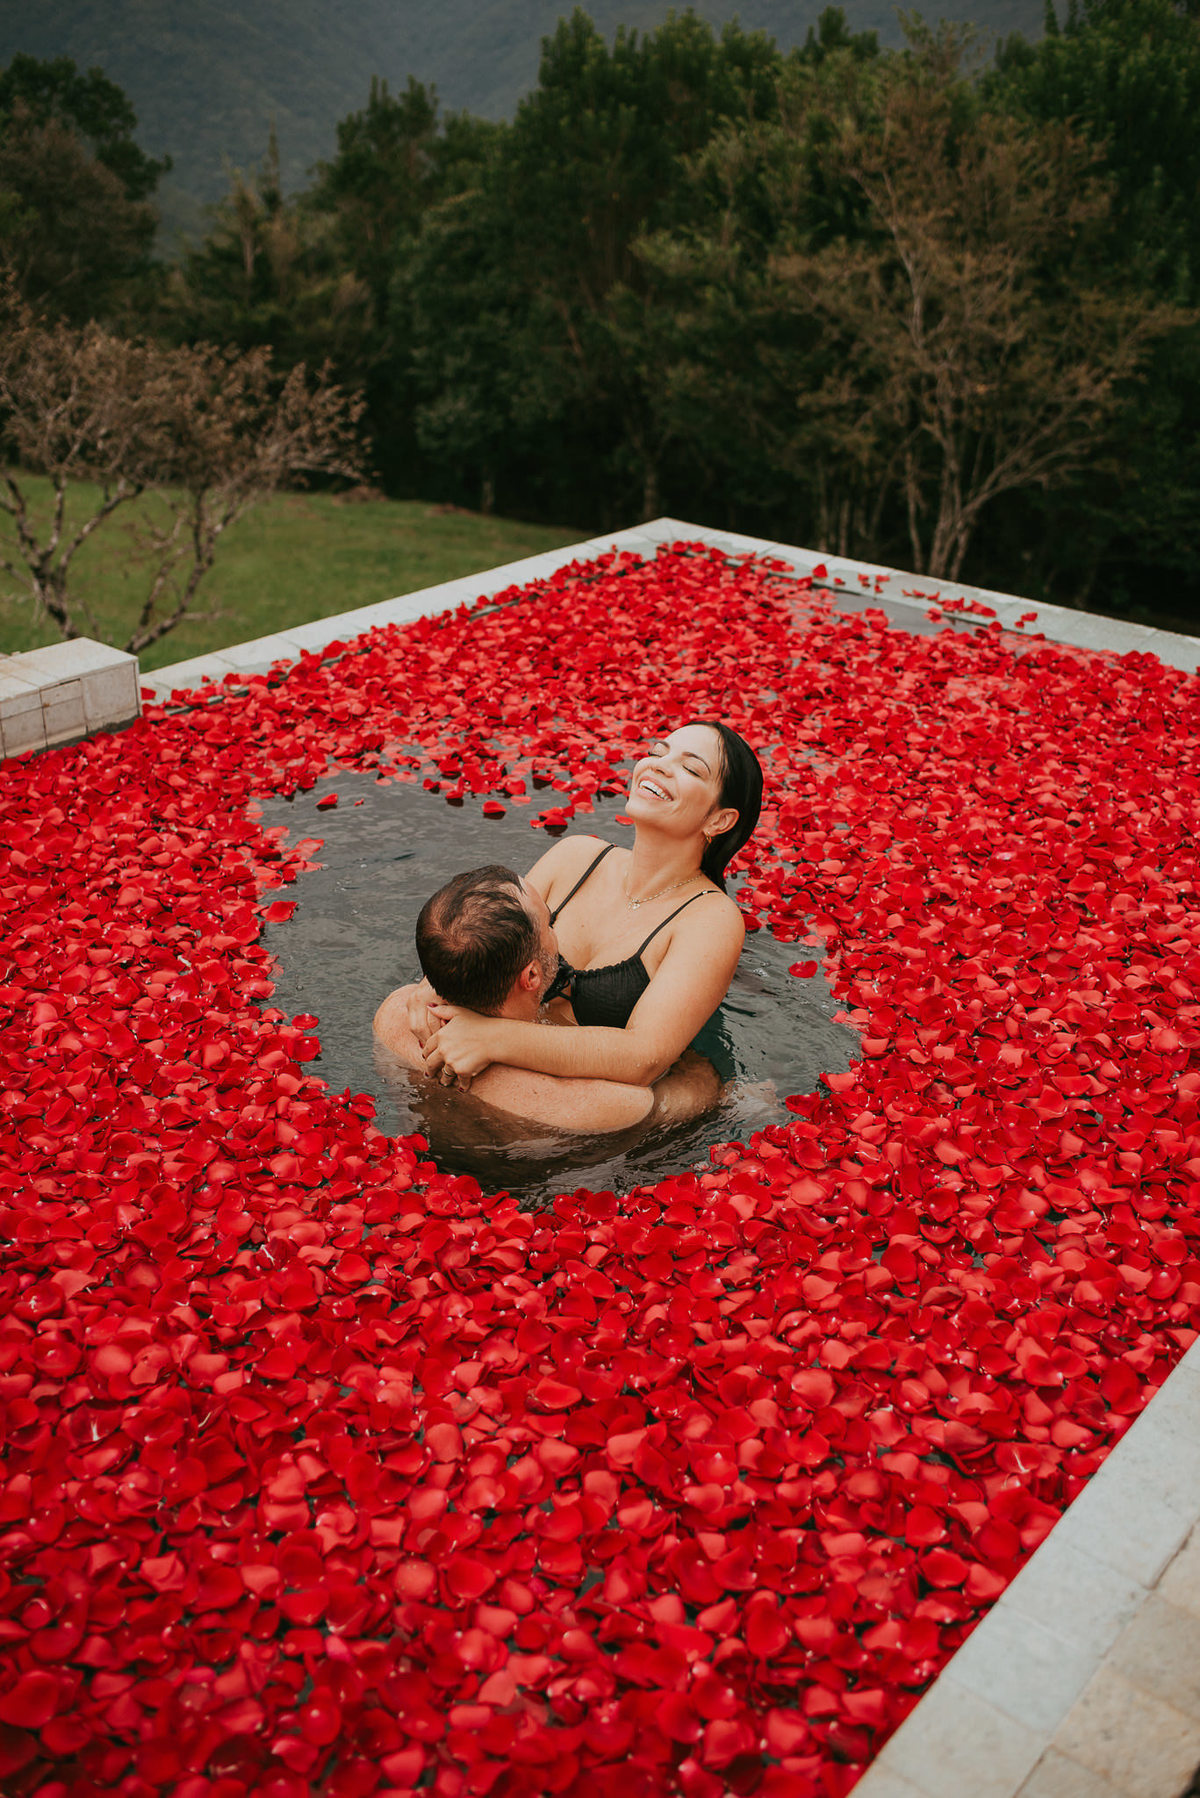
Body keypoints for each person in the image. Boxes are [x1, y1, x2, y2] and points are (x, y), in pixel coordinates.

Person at [415, 719, 763, 1091]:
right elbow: (484, 936)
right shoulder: (575, 856)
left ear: (719, 819)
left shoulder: (710, 919)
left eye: (691, 768)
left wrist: (493, 1038)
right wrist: (430, 989)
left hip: (595, 1105)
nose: (659, 765)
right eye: (657, 752)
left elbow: (643, 1057)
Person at [374, 863, 721, 1134]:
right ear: (532, 977)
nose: (556, 932)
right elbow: (683, 1101)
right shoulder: (605, 1104)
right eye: (551, 924)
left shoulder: (395, 1019)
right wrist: (706, 1076)